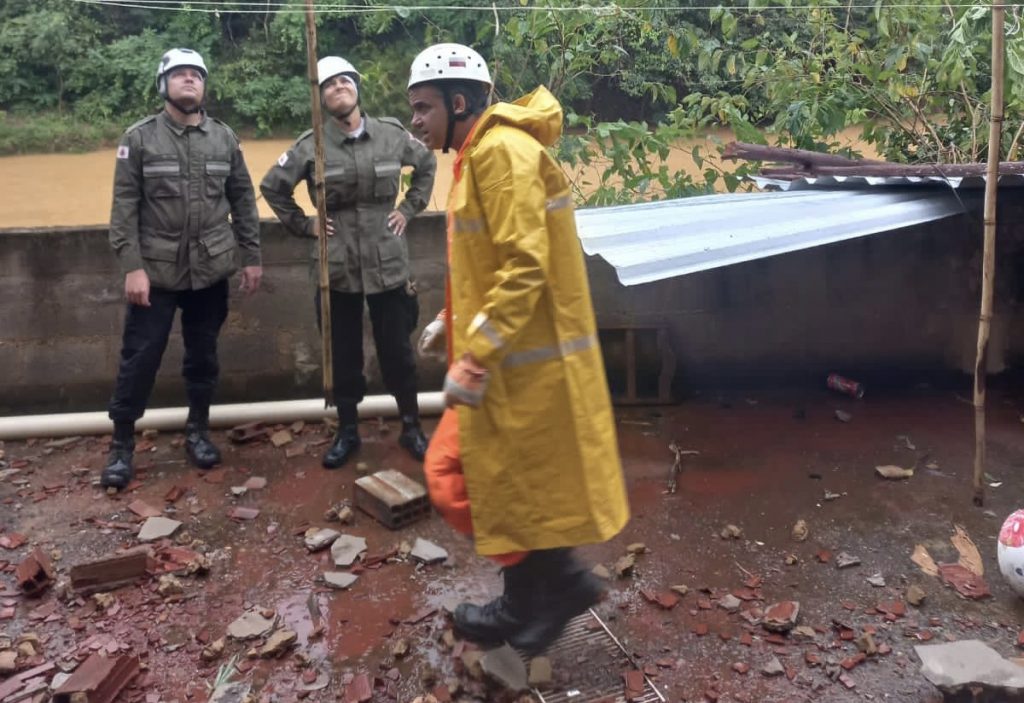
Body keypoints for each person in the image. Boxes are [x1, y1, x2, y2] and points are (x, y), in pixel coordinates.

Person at [408, 43, 630, 655]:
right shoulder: (483, 152)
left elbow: (525, 265)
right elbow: (492, 260)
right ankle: (533, 597)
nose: (416, 122)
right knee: (502, 485)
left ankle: (554, 588)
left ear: (459, 102)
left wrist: (474, 355)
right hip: (511, 357)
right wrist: (451, 317)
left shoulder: (501, 152)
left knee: (455, 475)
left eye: (423, 107)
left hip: (517, 362)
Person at [261, 56, 437, 469]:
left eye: (344, 81)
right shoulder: (311, 145)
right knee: (342, 353)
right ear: (321, 97)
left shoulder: (392, 135)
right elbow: (273, 187)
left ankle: (411, 426)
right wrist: (306, 226)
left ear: (356, 87)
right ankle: (347, 430)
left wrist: (409, 209)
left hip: (387, 258)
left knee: (397, 349)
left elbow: (426, 164)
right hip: (336, 265)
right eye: (328, 85)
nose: (337, 88)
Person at [102, 48, 262, 491]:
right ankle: (121, 446)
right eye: (180, 75)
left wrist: (251, 257)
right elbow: (123, 210)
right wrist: (132, 267)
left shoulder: (224, 139)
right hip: (156, 272)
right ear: (164, 85)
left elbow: (243, 202)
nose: (190, 80)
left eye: (197, 75)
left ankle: (198, 431)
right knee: (140, 358)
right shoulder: (139, 139)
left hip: (211, 270)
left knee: (203, 356)